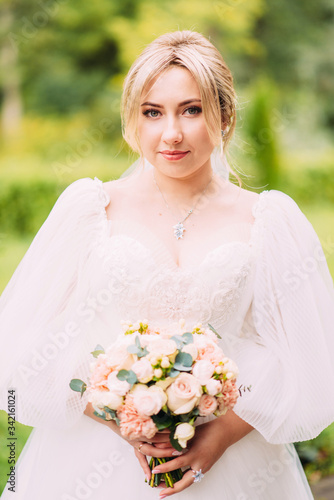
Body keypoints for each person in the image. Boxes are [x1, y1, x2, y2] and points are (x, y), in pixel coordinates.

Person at [0, 29, 334, 500]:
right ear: (134, 118)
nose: (171, 133)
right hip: (92, 461)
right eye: (152, 112)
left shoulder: (270, 221)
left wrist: (219, 437)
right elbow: (25, 343)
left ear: (226, 114)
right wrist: (121, 418)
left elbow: (307, 359)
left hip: (232, 463)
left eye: (191, 110)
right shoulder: (90, 208)